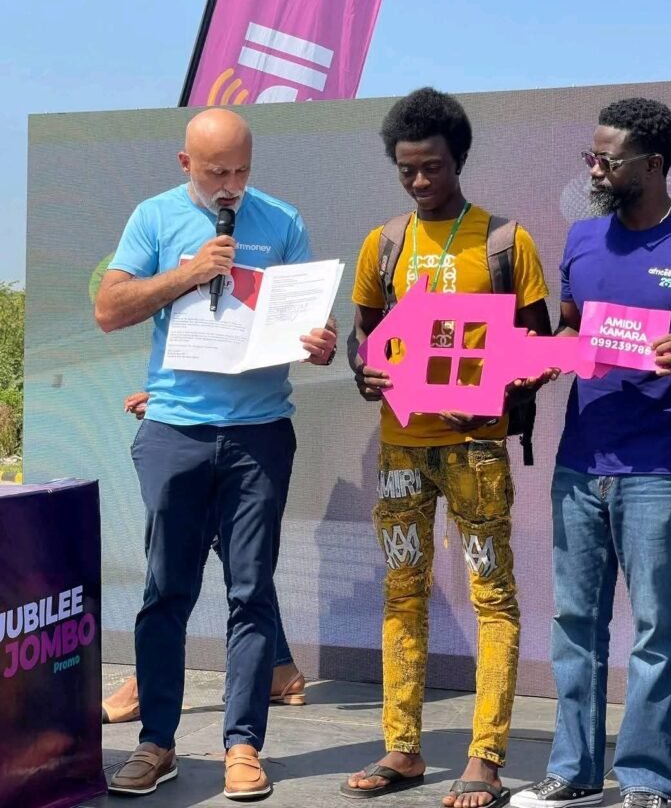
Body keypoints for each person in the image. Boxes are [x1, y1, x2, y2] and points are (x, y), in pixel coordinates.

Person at [95, 108, 336, 800]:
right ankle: (156, 742)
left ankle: (243, 744)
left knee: (250, 591)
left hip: (260, 432)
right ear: (186, 165)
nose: (230, 184)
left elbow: (308, 320)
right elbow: (109, 309)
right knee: (166, 590)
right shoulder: (154, 217)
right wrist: (189, 273)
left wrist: (319, 342)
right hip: (176, 429)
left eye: (241, 170)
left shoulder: (281, 221)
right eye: (215, 172)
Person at [344, 87, 551, 808]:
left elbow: (539, 347)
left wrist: (497, 394)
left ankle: (485, 758)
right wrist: (364, 370)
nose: (419, 180)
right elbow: (363, 336)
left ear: (458, 158)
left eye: (431, 166)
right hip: (401, 450)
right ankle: (401, 749)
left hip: (476, 453)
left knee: (493, 597)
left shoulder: (504, 241)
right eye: (406, 169)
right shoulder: (384, 243)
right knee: (402, 594)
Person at [511, 98, 671, 808]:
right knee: (575, 625)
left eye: (607, 160)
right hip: (581, 462)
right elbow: (569, 330)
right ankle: (575, 770)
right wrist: (538, 362)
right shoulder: (583, 239)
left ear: (653, 164)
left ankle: (646, 778)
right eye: (590, 156)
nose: (594, 169)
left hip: (665, 467)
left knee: (655, 631)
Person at [101, 391, 306, 726]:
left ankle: (148, 687)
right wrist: (171, 395)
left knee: (213, 566)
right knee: (221, 558)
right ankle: (277, 665)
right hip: (192, 422)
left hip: (238, 424)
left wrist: (179, 399)